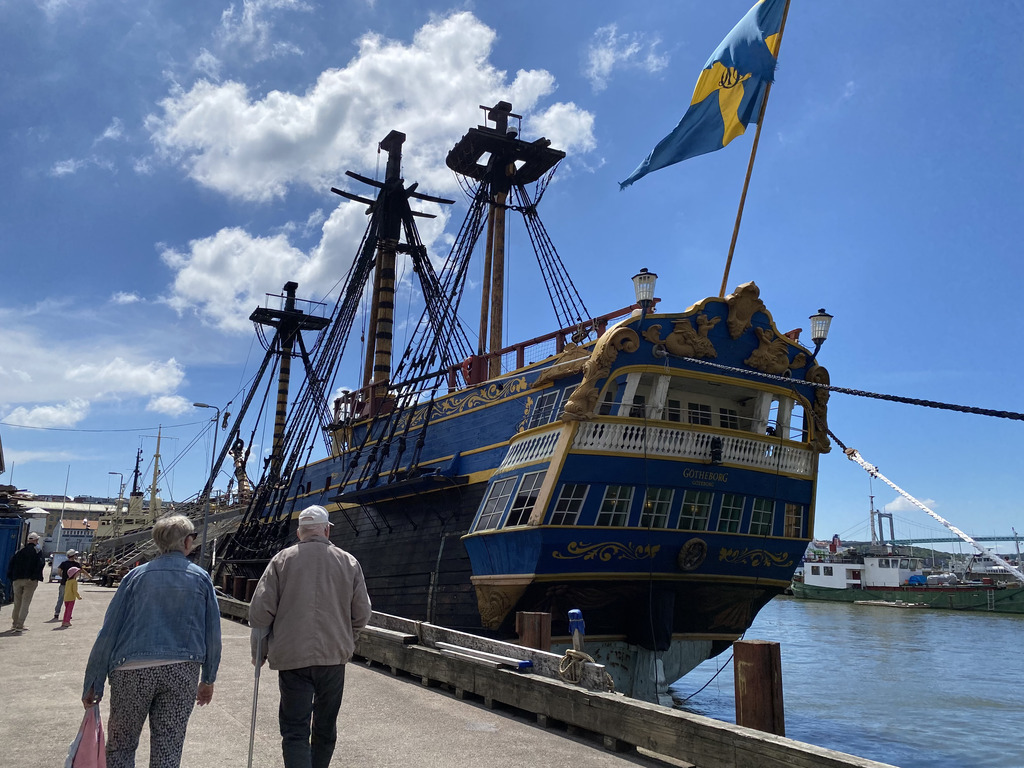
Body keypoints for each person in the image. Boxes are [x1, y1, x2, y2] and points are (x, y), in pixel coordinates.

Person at [82, 515, 221, 768]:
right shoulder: (201, 578)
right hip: (182, 668)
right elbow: (212, 632)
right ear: (188, 542)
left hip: (131, 669)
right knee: (168, 747)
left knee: (120, 746)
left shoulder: (135, 577)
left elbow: (110, 630)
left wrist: (94, 680)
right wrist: (208, 678)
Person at [249, 505, 372, 768]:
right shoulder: (349, 562)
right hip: (333, 658)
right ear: (326, 530)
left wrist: (258, 652)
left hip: (292, 658)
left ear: (299, 532)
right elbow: (362, 613)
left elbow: (260, 613)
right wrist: (348, 639)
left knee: (295, 729)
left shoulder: (281, 560)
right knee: (325, 727)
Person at [6, 531, 45, 633]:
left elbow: (11, 564)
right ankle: (20, 625)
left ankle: (14, 624)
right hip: (30, 581)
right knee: (25, 603)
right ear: (36, 540)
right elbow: (40, 564)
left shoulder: (19, 552)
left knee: (17, 602)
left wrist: (12, 577)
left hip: (17, 580)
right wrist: (34, 577)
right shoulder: (37, 551)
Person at [55, 548, 87, 619]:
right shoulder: (76, 564)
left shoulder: (64, 563)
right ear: (74, 556)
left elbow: (59, 571)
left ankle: (57, 613)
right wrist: (89, 576)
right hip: (72, 584)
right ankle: (68, 614)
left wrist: (62, 576)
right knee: (70, 599)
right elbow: (82, 570)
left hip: (64, 583)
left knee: (61, 598)